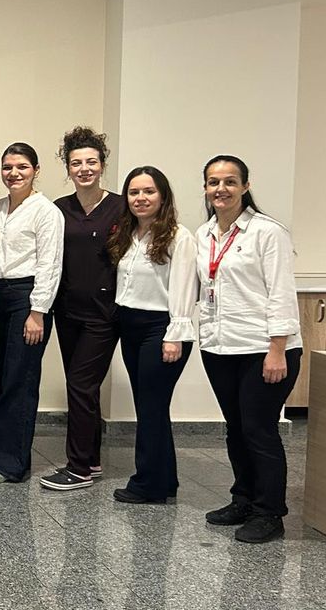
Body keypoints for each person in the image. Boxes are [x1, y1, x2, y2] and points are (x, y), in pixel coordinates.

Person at [195, 155, 301, 544]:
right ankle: (243, 499)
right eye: (213, 182)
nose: (220, 189)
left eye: (229, 181)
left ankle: (269, 512)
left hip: (264, 348)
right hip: (220, 346)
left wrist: (277, 349)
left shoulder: (267, 232)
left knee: (259, 430)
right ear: (205, 188)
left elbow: (281, 293)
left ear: (245, 186)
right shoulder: (204, 234)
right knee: (236, 428)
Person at [105, 166, 198, 504]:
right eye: (134, 192)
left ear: (163, 196)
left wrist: (175, 334)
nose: (140, 198)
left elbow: (184, 288)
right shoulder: (128, 234)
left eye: (148, 191)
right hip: (130, 325)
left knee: (151, 407)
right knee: (149, 407)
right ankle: (165, 480)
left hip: (162, 329)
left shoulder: (178, 236)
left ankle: (148, 484)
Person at [0, 142, 63, 485]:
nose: (14, 173)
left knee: (19, 379)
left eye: (22, 167)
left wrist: (38, 312)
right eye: (8, 167)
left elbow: (50, 264)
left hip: (27, 298)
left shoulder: (46, 211)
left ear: (36, 171)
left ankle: (10, 463)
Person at [41, 127, 122, 491]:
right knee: (84, 387)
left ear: (102, 165)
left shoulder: (120, 207)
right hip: (67, 310)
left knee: (80, 383)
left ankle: (78, 468)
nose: (84, 169)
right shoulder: (60, 209)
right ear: (68, 168)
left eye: (91, 162)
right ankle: (92, 458)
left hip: (104, 313)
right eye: (76, 163)